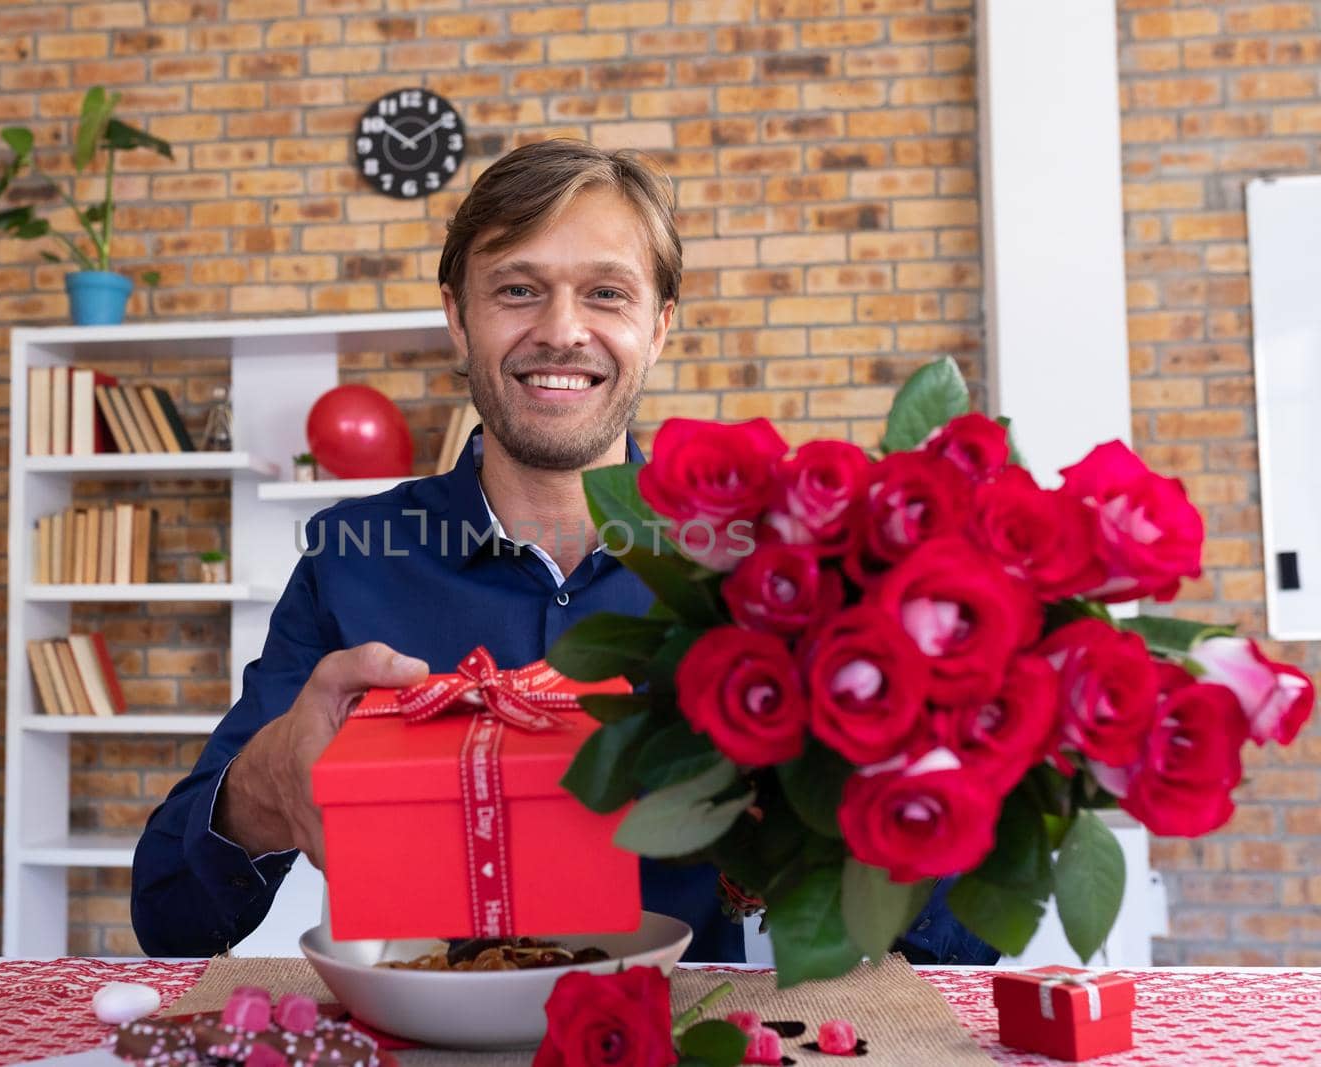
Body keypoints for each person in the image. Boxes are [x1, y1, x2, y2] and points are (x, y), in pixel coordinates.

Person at [131, 138, 996, 967]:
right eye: (516, 289)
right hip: (422, 1031)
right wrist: (265, 785)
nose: (561, 331)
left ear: (659, 327)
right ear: (457, 320)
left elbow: (957, 943)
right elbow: (168, 914)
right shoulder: (350, 556)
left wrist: (877, 786)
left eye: (607, 294)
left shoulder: (765, 571)